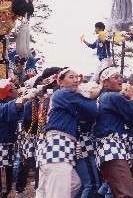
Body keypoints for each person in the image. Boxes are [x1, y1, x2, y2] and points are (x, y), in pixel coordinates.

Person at [36, 68, 99, 198]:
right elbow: (92, 109)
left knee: (74, 184)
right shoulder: (64, 93)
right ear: (60, 81)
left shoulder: (61, 96)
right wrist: (98, 91)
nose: (76, 80)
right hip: (58, 147)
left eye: (77, 77)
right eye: (71, 77)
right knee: (59, 192)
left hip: (55, 147)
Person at [94, 67, 133, 198]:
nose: (120, 80)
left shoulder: (105, 97)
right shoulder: (112, 96)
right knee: (126, 193)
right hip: (112, 149)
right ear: (105, 83)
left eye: (120, 76)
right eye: (115, 77)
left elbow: (130, 120)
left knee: (114, 192)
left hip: (110, 149)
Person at [0, 79, 33, 198]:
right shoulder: (2, 107)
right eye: (14, 87)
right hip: (1, 150)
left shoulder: (2, 105)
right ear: (9, 92)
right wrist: (29, 95)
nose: (17, 89)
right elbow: (19, 104)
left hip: (4, 148)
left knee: (1, 188)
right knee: (2, 189)